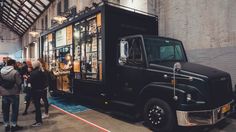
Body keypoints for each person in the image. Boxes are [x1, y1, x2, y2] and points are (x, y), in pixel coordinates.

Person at [0, 59, 23, 132]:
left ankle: (6, 125)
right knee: (14, 110)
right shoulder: (15, 72)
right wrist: (19, 90)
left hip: (4, 93)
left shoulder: (1, 71)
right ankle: (13, 125)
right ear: (13, 64)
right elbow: (19, 82)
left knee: (5, 110)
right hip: (14, 93)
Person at [28, 60, 47, 127]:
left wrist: (27, 78)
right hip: (42, 90)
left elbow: (29, 81)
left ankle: (38, 121)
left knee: (37, 107)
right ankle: (39, 120)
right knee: (38, 106)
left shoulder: (34, 73)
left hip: (36, 91)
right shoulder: (42, 71)